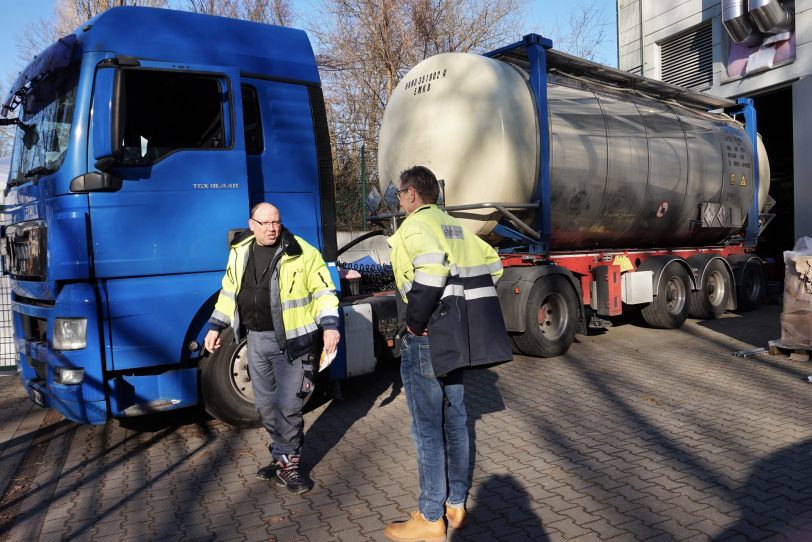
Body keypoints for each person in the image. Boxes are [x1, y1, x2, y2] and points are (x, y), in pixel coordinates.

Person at [385, 166, 512, 541]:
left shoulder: (414, 227)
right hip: (455, 338)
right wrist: (460, 310)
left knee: (427, 428)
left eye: (399, 194)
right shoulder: (455, 226)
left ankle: (429, 517)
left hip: (426, 337)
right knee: (455, 420)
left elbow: (430, 274)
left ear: (411, 194)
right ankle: (455, 506)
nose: (398, 200)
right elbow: (494, 266)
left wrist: (414, 322)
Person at [204, 202, 340, 495]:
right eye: (265, 223)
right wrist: (214, 327)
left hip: (295, 344)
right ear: (251, 224)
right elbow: (229, 292)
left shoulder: (301, 252)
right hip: (256, 340)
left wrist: (330, 326)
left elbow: (324, 291)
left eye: (276, 222)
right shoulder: (240, 252)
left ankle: (290, 466)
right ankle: (281, 458)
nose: (272, 228)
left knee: (290, 407)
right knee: (266, 409)